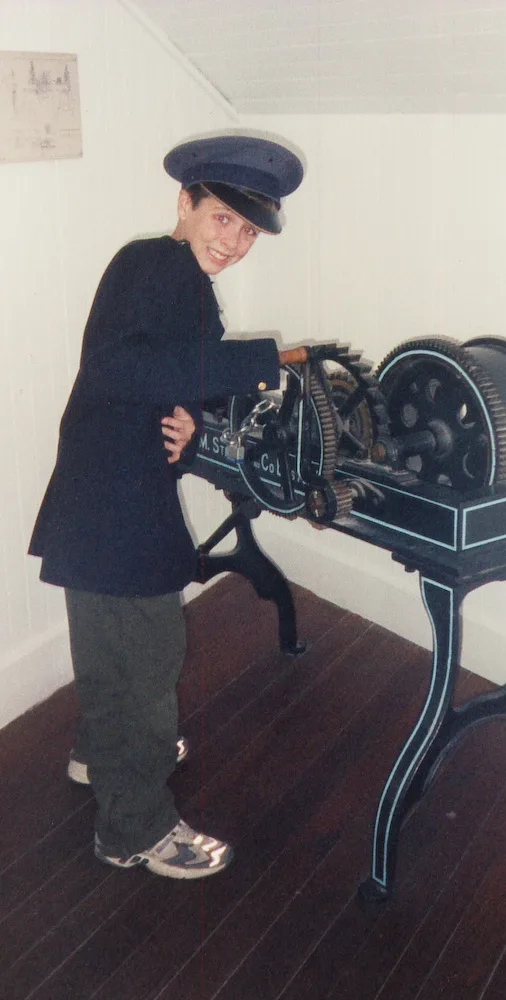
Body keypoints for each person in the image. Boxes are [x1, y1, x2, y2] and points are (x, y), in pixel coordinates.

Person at [28, 131, 308, 879]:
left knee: (111, 649)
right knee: (147, 659)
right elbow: (115, 365)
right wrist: (258, 364)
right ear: (183, 204)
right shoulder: (147, 263)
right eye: (223, 219)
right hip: (110, 501)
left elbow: (169, 377)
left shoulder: (189, 288)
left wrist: (186, 426)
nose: (235, 242)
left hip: (114, 492)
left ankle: (100, 756)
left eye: (249, 231)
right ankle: (135, 828)